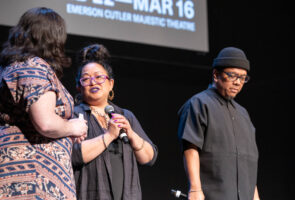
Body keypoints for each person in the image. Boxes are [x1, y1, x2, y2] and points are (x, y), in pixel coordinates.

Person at [0, 7, 87, 199]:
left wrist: (63, 132)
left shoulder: (17, 66)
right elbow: (46, 123)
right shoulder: (34, 67)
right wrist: (71, 126)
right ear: (52, 37)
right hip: (33, 181)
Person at [72, 44, 158, 200]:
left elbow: (149, 158)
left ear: (110, 83)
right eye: (86, 79)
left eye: (99, 77)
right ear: (78, 86)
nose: (93, 82)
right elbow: (72, 154)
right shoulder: (74, 115)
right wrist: (109, 136)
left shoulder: (125, 115)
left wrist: (131, 134)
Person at [177, 47, 260, 200]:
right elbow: (190, 147)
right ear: (216, 75)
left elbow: (247, 161)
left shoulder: (243, 114)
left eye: (243, 78)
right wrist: (195, 189)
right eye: (232, 75)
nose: (237, 82)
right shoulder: (199, 104)